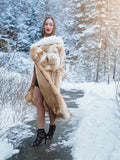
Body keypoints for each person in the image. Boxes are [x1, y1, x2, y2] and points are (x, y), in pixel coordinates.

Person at [25, 17, 69, 147]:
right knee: (38, 101)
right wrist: (37, 54)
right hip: (39, 77)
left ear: (53, 27)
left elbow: (55, 63)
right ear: (43, 26)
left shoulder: (57, 43)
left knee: (50, 104)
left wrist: (38, 55)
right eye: (46, 24)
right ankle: (40, 132)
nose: (48, 26)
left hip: (50, 78)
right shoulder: (39, 43)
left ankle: (52, 126)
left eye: (51, 24)